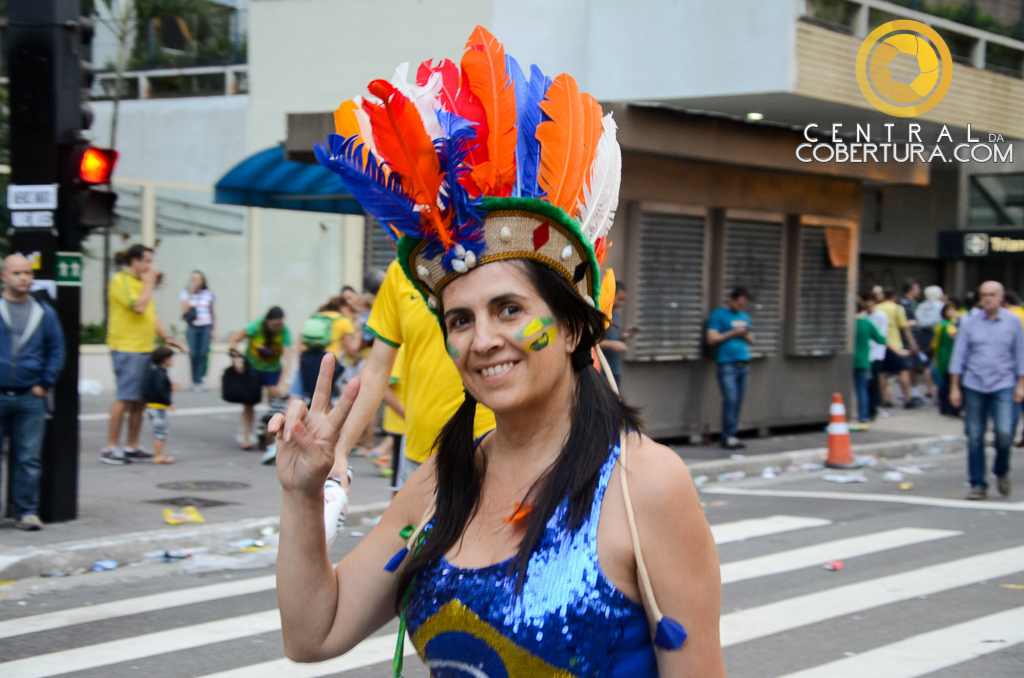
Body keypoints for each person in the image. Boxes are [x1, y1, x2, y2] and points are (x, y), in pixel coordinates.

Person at [272, 29, 725, 676]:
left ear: (571, 328)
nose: (481, 339)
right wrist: (300, 492)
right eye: (460, 319)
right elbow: (312, 633)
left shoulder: (643, 487)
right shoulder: (440, 483)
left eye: (509, 310)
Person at [0, 254, 65, 530]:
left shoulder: (44, 312)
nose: (24, 278)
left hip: (30, 395)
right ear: (4, 276)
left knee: (29, 456)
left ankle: (26, 511)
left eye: (27, 272)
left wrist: (44, 384)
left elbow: (56, 350)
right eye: (17, 273)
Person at [103, 245, 184, 465]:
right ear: (135, 261)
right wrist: (150, 282)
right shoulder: (121, 281)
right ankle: (111, 447)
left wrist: (166, 337)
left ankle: (132, 445)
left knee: (140, 400)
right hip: (126, 347)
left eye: (151, 261)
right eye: (147, 261)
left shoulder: (141, 284)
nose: (151, 267)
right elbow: (138, 307)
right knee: (125, 397)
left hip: (143, 347)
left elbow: (150, 313)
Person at [949, 281, 1024, 500]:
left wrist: (1021, 384)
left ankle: (1001, 471)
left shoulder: (1013, 321)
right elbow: (959, 355)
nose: (987, 299)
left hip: (1004, 384)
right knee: (974, 436)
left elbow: (1020, 354)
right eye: (983, 295)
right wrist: (954, 387)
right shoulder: (969, 322)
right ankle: (978, 484)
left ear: (1001, 297)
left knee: (1004, 434)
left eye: (991, 295)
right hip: (974, 384)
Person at [229, 306, 295, 450]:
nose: (277, 328)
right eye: (274, 325)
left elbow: (288, 357)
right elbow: (234, 339)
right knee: (249, 402)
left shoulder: (284, 331)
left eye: (280, 324)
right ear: (267, 321)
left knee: (275, 401)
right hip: (253, 367)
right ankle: (246, 437)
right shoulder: (256, 325)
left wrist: (282, 382)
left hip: (273, 369)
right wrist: (237, 358)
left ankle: (269, 436)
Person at [706, 287, 754, 450]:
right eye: (739, 304)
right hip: (727, 364)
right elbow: (711, 338)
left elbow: (752, 340)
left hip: (743, 363)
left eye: (744, 305)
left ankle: (732, 434)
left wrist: (745, 334)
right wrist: (733, 333)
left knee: (738, 402)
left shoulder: (744, 316)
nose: (741, 308)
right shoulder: (719, 315)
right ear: (732, 300)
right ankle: (727, 437)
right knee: (730, 400)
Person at [854, 292, 908, 425]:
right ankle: (864, 415)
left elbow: (881, 338)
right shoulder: (866, 322)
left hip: (860, 357)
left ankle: (861, 413)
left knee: (863, 387)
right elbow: (881, 338)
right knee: (864, 387)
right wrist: (898, 352)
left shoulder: (852, 322)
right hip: (864, 358)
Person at [876, 288, 918, 408]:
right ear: (894, 297)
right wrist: (912, 344)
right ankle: (907, 398)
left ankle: (885, 399)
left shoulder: (878, 308)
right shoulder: (897, 308)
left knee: (883, 373)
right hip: (896, 345)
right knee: (903, 372)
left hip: (881, 345)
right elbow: (904, 328)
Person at [180, 271, 215, 391]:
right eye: (193, 278)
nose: (195, 281)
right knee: (193, 354)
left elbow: (212, 311)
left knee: (202, 354)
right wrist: (190, 293)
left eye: (198, 278)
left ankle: (200, 381)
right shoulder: (186, 293)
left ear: (203, 281)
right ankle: (195, 381)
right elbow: (184, 310)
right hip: (192, 327)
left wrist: (213, 329)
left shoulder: (208, 294)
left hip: (206, 326)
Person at [143, 345, 177, 464]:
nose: (172, 361)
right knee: (160, 431)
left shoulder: (155, 372)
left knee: (160, 430)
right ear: (165, 359)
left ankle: (159, 453)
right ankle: (159, 455)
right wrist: (169, 402)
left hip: (154, 406)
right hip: (157, 407)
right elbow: (160, 390)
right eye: (170, 358)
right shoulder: (160, 374)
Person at [599, 282, 637, 385]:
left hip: (614, 369)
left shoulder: (614, 313)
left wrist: (624, 337)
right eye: (620, 299)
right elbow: (591, 342)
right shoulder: (600, 314)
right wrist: (612, 344)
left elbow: (613, 338)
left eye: (624, 300)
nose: (622, 303)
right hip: (601, 370)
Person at [931, 302, 960, 417]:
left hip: (941, 356)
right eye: (950, 310)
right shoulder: (949, 325)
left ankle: (944, 407)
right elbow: (955, 337)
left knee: (944, 384)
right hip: (948, 357)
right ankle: (950, 408)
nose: (953, 312)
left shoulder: (940, 324)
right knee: (947, 384)